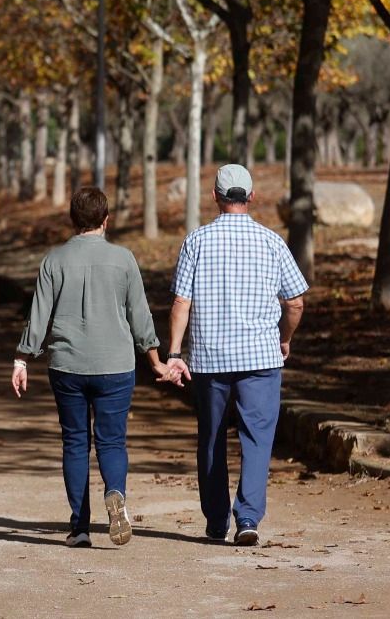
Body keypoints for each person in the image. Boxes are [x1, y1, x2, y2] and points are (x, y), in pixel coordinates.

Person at [12, 186, 165, 549]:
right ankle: (115, 494)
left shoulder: (54, 260)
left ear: (72, 220)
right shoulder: (124, 259)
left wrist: (22, 358)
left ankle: (79, 527)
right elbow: (140, 316)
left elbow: (39, 316)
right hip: (115, 365)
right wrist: (156, 359)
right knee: (112, 441)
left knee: (75, 443)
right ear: (106, 220)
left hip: (67, 366)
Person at [163, 164, 307, 547]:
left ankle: (215, 520)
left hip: (210, 359)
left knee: (211, 437)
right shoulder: (273, 242)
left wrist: (175, 351)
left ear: (215, 197)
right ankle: (247, 518)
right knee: (257, 439)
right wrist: (285, 337)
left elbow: (181, 301)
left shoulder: (196, 241)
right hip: (261, 358)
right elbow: (295, 301)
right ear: (252, 197)